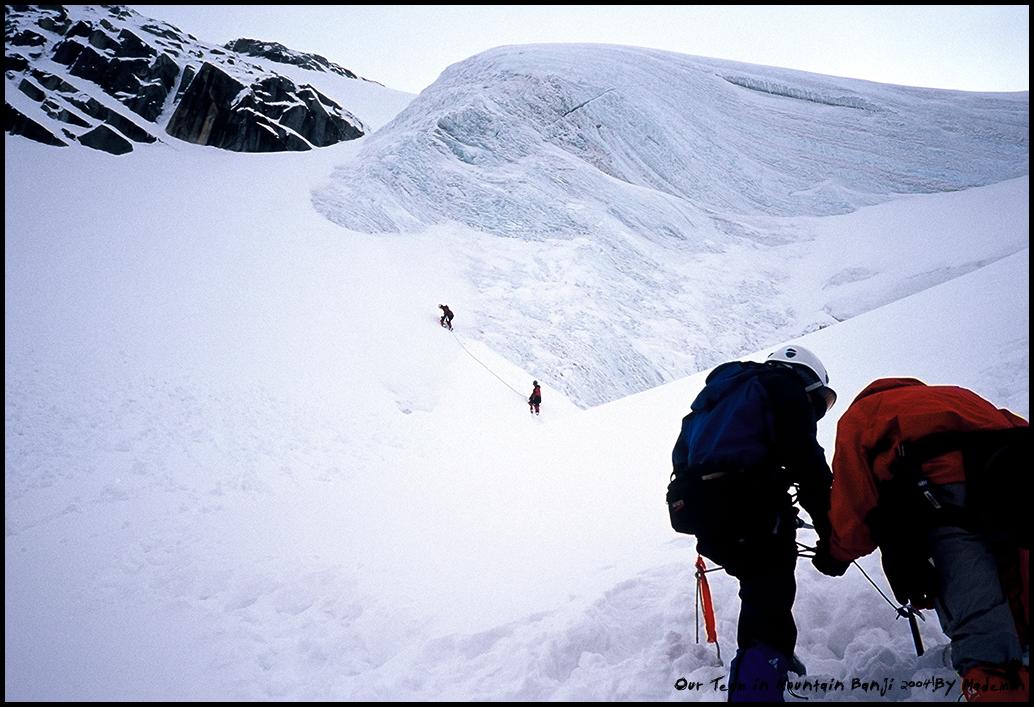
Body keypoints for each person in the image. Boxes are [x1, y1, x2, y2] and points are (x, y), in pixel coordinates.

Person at [813, 378, 1029, 702]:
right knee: (1020, 594)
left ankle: (996, 684)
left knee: (981, 631)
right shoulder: (956, 395)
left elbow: (856, 502)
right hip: (1013, 480)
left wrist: (836, 553)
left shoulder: (861, 416)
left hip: (943, 500)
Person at [668, 344, 838, 702]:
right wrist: (833, 537)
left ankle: (765, 663)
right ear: (807, 380)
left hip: (704, 518)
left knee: (760, 591)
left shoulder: (716, 398)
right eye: (818, 405)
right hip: (749, 510)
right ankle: (760, 677)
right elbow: (809, 467)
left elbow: (683, 460)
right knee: (770, 600)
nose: (815, 413)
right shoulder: (783, 386)